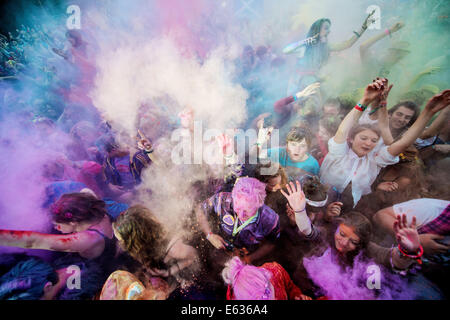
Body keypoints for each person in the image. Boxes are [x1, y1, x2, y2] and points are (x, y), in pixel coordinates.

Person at [320, 78, 450, 208]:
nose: (368, 143)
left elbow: (403, 143)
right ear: (352, 138)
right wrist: (365, 100)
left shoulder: (375, 160)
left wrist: (429, 111)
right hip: (319, 200)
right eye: (363, 138)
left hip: (348, 207)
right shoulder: (339, 153)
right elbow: (343, 129)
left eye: (374, 141)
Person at [0, 192, 116, 261]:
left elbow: (35, 241)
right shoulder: (97, 212)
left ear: (73, 223)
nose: (56, 228)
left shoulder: (87, 238)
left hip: (102, 271)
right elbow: (86, 192)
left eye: (58, 225)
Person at [112, 205, 199, 296]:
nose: (119, 242)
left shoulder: (173, 248)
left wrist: (169, 272)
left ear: (134, 239)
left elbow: (194, 255)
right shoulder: (145, 247)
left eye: (122, 239)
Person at [195, 177, 280, 268]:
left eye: (247, 210)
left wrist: (250, 258)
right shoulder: (222, 199)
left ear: (259, 204)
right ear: (233, 197)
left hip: (246, 259)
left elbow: (272, 243)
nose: (241, 214)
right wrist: (209, 235)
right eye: (238, 208)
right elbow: (199, 209)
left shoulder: (270, 219)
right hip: (218, 252)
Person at [283, 12, 375, 93]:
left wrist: (363, 27)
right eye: (326, 28)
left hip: (314, 85)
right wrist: (305, 42)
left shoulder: (326, 47)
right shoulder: (305, 47)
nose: (329, 31)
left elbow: (347, 44)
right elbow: (286, 50)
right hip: (298, 86)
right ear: (317, 30)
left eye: (329, 28)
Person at [222, 256, 311, 300]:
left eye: (268, 295)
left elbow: (290, 287)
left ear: (267, 279)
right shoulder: (233, 296)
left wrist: (297, 295)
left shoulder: (276, 272)